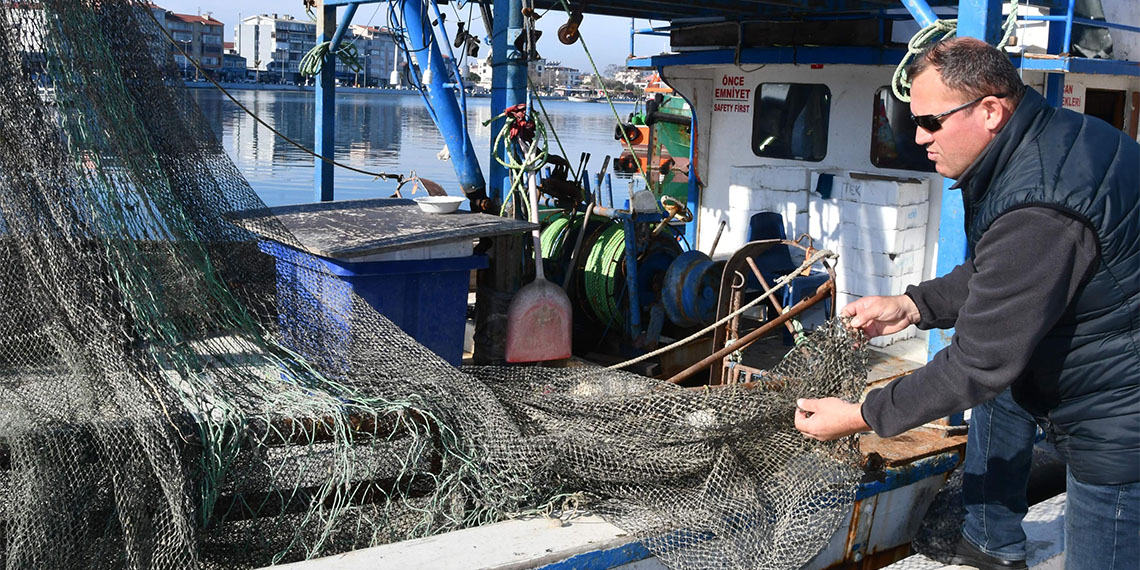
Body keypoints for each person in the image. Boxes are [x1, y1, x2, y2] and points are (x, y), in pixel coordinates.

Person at [793, 37, 1139, 570]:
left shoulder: (1040, 202)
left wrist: (863, 414)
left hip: (1118, 417)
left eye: (930, 122)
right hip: (1106, 359)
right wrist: (911, 306)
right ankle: (990, 542)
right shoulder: (1055, 137)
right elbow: (998, 273)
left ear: (991, 112)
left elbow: (979, 360)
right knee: (1003, 392)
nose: (917, 137)